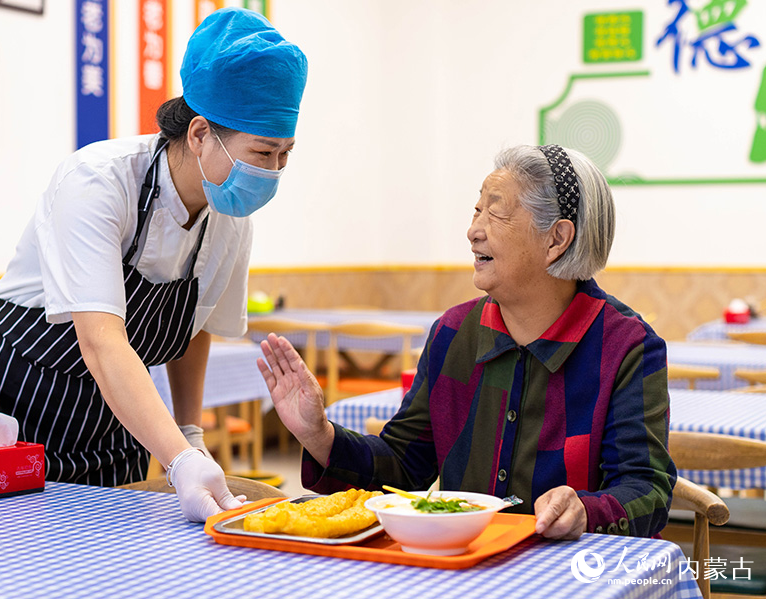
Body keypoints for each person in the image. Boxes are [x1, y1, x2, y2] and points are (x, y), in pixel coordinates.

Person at [0, 7, 308, 522]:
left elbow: (194, 328)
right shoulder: (97, 183)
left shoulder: (229, 217)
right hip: (12, 396)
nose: (272, 172)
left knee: (115, 555)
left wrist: (189, 433)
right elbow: (101, 340)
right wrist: (177, 457)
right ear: (199, 133)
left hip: (115, 410)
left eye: (285, 155)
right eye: (262, 153)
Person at [258, 144, 676, 540]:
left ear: (556, 239)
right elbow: (404, 466)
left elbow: (648, 490)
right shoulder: (453, 333)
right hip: (466, 570)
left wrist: (586, 511)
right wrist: (319, 435)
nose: (473, 231)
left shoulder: (626, 347)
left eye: (495, 214)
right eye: (476, 211)